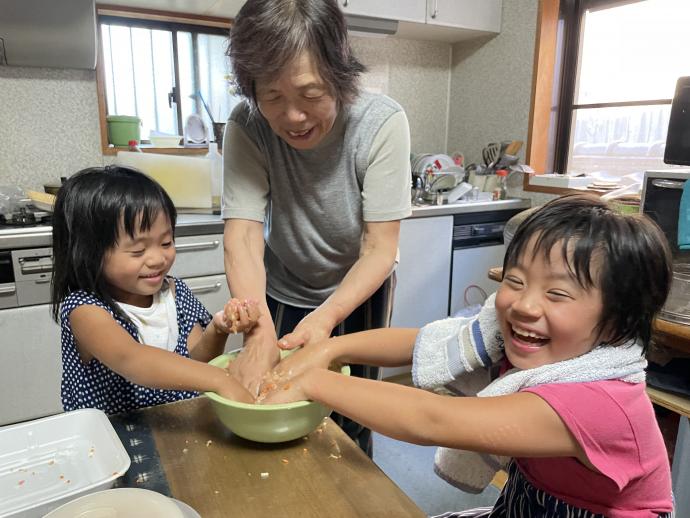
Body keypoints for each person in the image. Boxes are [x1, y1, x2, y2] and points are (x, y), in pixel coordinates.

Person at [259, 194, 675, 517]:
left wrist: (312, 381)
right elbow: (422, 342)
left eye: (557, 293)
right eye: (516, 280)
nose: (525, 305)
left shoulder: (600, 402)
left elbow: (433, 419)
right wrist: (331, 346)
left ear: (618, 320)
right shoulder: (538, 346)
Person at [222, 0, 412, 453]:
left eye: (310, 95)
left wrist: (327, 317)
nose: (292, 116)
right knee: (273, 400)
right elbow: (243, 235)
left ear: (341, 76)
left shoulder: (381, 123)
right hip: (281, 287)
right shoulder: (247, 125)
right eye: (273, 97)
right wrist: (260, 329)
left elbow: (379, 248)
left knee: (352, 417)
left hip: (357, 290)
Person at [50, 166, 259, 414]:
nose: (158, 259)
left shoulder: (174, 291)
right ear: (89, 254)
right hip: (114, 437)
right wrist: (220, 379)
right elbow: (133, 360)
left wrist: (217, 330)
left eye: (166, 242)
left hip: (177, 426)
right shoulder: (85, 309)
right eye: (138, 251)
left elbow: (194, 362)